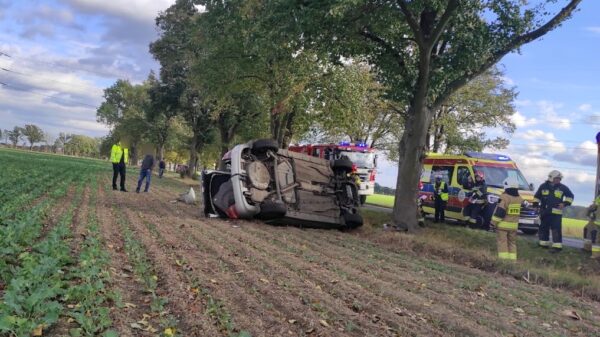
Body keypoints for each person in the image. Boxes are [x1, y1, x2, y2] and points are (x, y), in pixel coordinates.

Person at [534, 170, 574, 253]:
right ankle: (543, 244)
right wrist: (535, 205)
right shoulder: (543, 186)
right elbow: (537, 197)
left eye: (559, 178)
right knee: (543, 228)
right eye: (557, 178)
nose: (558, 180)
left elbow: (570, 196)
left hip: (556, 213)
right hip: (544, 212)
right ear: (551, 177)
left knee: (556, 229)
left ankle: (557, 247)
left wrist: (565, 203)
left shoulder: (563, 187)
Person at [491, 177, 523, 260]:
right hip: (514, 226)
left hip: (503, 226)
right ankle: (512, 261)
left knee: (503, 243)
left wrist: (493, 223)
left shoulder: (505, 197)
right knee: (512, 243)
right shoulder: (519, 199)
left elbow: (500, 213)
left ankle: (504, 261)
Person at [584, 194, 600, 258]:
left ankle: (595, 254)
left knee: (597, 238)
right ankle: (594, 253)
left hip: (597, 221)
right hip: (597, 221)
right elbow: (594, 206)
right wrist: (589, 212)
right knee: (596, 237)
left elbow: (594, 206)